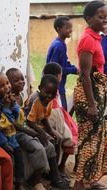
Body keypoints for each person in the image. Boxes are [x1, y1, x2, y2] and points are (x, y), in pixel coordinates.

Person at [73, 1, 107, 189]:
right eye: (100, 16)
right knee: (89, 140)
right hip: (89, 95)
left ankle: (90, 179)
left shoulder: (96, 37)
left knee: (98, 137)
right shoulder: (87, 39)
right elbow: (84, 74)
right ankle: (79, 183)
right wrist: (92, 104)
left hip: (96, 92)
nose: (105, 19)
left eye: (105, 16)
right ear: (88, 18)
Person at [6, 68, 50, 190]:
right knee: (39, 148)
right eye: (16, 80)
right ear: (8, 83)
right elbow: (12, 123)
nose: (21, 82)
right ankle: (35, 182)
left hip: (24, 128)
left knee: (49, 145)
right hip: (15, 132)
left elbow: (24, 118)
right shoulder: (8, 99)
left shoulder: (19, 95)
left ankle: (40, 177)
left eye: (22, 79)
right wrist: (30, 131)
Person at [26, 75, 70, 189]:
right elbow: (29, 122)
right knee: (48, 143)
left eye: (53, 94)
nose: (49, 96)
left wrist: (51, 131)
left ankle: (52, 173)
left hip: (37, 125)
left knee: (57, 138)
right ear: (40, 88)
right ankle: (46, 177)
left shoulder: (49, 99)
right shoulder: (35, 99)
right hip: (27, 127)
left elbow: (44, 117)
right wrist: (44, 133)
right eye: (47, 92)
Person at [0, 72, 26, 190]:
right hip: (0, 138)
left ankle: (19, 183)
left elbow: (19, 117)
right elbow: (1, 124)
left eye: (7, 83)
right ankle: (6, 185)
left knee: (19, 158)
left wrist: (13, 104)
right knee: (8, 161)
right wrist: (6, 107)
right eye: (1, 86)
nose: (7, 87)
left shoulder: (10, 98)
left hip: (11, 136)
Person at [42, 63, 78, 175]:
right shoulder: (53, 88)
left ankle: (58, 169)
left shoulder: (46, 87)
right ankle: (59, 168)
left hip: (57, 116)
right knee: (69, 139)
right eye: (61, 74)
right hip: (54, 118)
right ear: (59, 76)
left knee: (66, 139)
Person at [46, 16, 78, 111]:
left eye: (71, 28)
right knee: (61, 112)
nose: (70, 30)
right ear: (58, 29)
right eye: (67, 28)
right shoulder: (58, 46)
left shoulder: (61, 44)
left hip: (59, 86)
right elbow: (55, 70)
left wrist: (75, 69)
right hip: (55, 87)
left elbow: (63, 64)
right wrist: (74, 70)